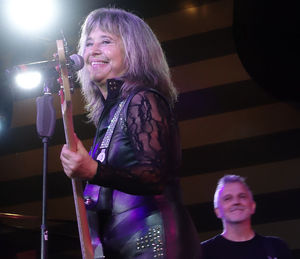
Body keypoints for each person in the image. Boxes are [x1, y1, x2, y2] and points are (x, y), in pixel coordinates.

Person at [60, 7, 201, 259]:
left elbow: (154, 175)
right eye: (89, 43)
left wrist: (92, 170)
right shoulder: (112, 113)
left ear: (134, 49)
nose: (92, 50)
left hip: (153, 241)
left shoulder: (142, 99)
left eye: (106, 41)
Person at [201, 174, 293, 259]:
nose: (236, 202)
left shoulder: (277, 247)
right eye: (228, 198)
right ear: (217, 211)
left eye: (242, 196)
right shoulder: (203, 252)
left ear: (252, 206)